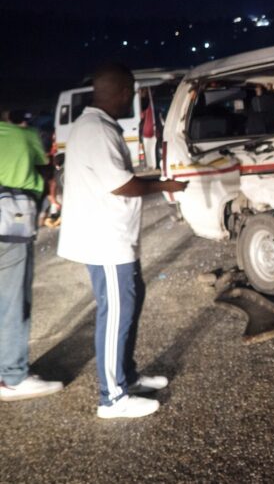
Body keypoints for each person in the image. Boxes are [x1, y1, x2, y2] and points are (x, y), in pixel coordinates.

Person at [57, 64, 188, 419]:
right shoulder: (97, 130)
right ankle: (111, 399)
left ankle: (126, 377)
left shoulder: (94, 126)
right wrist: (165, 185)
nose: (131, 96)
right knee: (115, 315)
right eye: (129, 90)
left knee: (126, 309)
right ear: (117, 91)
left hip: (115, 240)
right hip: (106, 242)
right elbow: (123, 185)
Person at [0, 111, 63, 401]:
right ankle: (13, 377)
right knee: (13, 303)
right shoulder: (23, 136)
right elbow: (47, 167)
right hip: (10, 227)